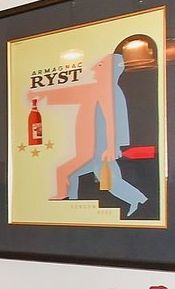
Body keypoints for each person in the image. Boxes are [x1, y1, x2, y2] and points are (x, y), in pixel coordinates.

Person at [29, 50, 148, 216]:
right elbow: (72, 95)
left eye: (99, 65)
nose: (93, 69)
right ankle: (139, 201)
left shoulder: (108, 91)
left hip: (98, 149)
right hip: (98, 148)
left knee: (67, 173)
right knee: (110, 181)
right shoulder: (103, 90)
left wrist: (111, 147)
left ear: (109, 70)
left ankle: (69, 206)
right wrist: (42, 95)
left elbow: (112, 121)